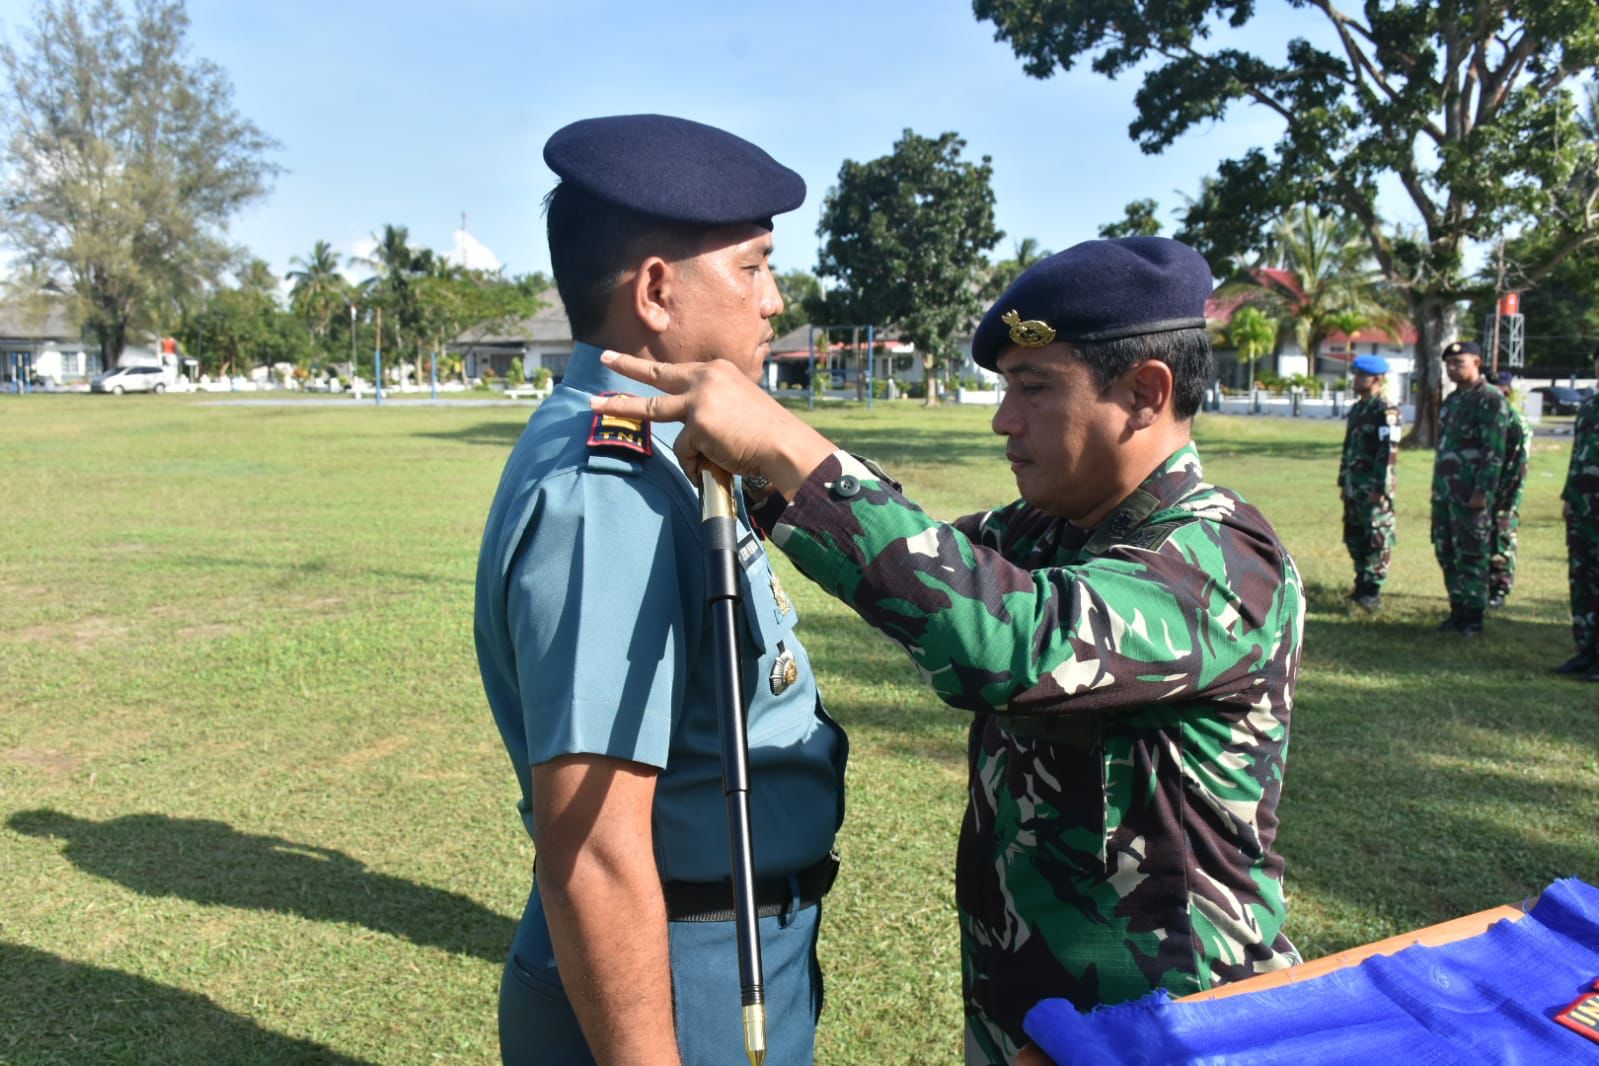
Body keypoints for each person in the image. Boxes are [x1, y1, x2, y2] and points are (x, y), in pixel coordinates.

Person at [595, 237, 1304, 1065]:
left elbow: (1004, 639)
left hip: (1170, 1022)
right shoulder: (1051, 530)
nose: (1004, 420)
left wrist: (786, 447)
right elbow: (923, 558)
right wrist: (762, 476)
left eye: (1033, 389)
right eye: (1006, 389)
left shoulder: (1224, 563)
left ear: (1145, 393)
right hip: (1027, 1010)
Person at [474, 114, 848, 1066]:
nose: (773, 301)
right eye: (753, 267)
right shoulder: (612, 491)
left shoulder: (657, 453)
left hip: (720, 947)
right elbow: (595, 848)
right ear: (654, 291)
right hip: (678, 972)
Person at [1430, 341, 1509, 636]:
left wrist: (1482, 492)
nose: (1452, 369)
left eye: (1458, 363)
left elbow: (1495, 452)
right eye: (1449, 364)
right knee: (1447, 551)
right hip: (1446, 493)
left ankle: (1473, 616)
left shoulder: (1491, 400)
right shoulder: (1452, 401)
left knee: (1472, 554)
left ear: (1476, 362)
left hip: (1471, 495)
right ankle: (1457, 609)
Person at [1338, 354, 1401, 610]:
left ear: (1377, 379)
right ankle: (1361, 582)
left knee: (1377, 537)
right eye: (1355, 374)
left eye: (1361, 375)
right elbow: (1349, 448)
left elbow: (1389, 453)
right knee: (1355, 535)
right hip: (1355, 486)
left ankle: (1372, 589)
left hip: (1374, 487)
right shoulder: (1358, 408)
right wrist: (1344, 481)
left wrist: (1380, 488)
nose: (1356, 379)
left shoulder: (1385, 410)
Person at [1556, 345, 1599, 679]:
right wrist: (1569, 496)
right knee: (1582, 579)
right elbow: (1577, 458)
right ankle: (1586, 650)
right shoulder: (1589, 408)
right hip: (1584, 509)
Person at [1487, 370, 1530, 608]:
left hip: (1505, 493)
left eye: (1498, 389)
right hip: (1486, 491)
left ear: (1507, 391)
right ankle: (1486, 586)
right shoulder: (1491, 419)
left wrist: (1508, 496)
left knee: (1502, 540)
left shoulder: (1514, 421)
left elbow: (1519, 463)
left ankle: (1500, 589)